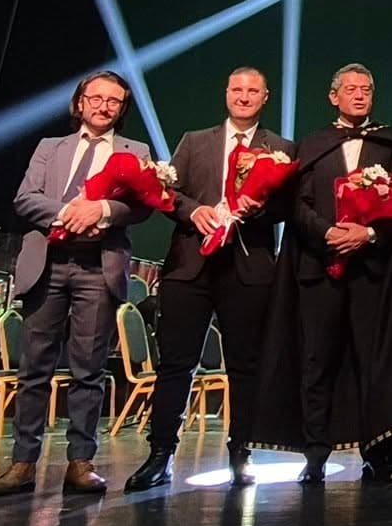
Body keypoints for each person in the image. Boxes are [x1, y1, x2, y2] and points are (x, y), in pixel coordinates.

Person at [125, 66, 292, 493]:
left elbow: (290, 207)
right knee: (176, 364)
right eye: (237, 88)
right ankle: (161, 454)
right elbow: (166, 192)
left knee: (246, 366)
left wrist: (260, 208)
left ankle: (242, 452)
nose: (244, 96)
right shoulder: (194, 141)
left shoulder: (281, 148)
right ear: (226, 93)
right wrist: (190, 210)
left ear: (265, 97)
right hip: (189, 266)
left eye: (253, 90)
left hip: (248, 267)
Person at [0, 71, 154, 498]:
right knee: (34, 371)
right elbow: (25, 198)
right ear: (80, 103)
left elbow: (140, 207)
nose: (103, 106)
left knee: (89, 370)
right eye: (95, 98)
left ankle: (81, 462)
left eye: (113, 101)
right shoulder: (50, 147)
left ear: (122, 108)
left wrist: (100, 210)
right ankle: (22, 463)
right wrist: (69, 215)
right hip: (48, 262)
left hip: (98, 268)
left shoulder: (136, 151)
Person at [256, 64, 392, 485]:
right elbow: (296, 205)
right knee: (317, 360)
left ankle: (379, 453)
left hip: (373, 273)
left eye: (366, 89)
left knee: (374, 363)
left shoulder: (390, 142)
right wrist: (328, 233)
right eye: (350, 89)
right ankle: (315, 454)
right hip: (319, 269)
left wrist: (367, 233)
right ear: (334, 96)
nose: (359, 95)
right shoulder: (312, 144)